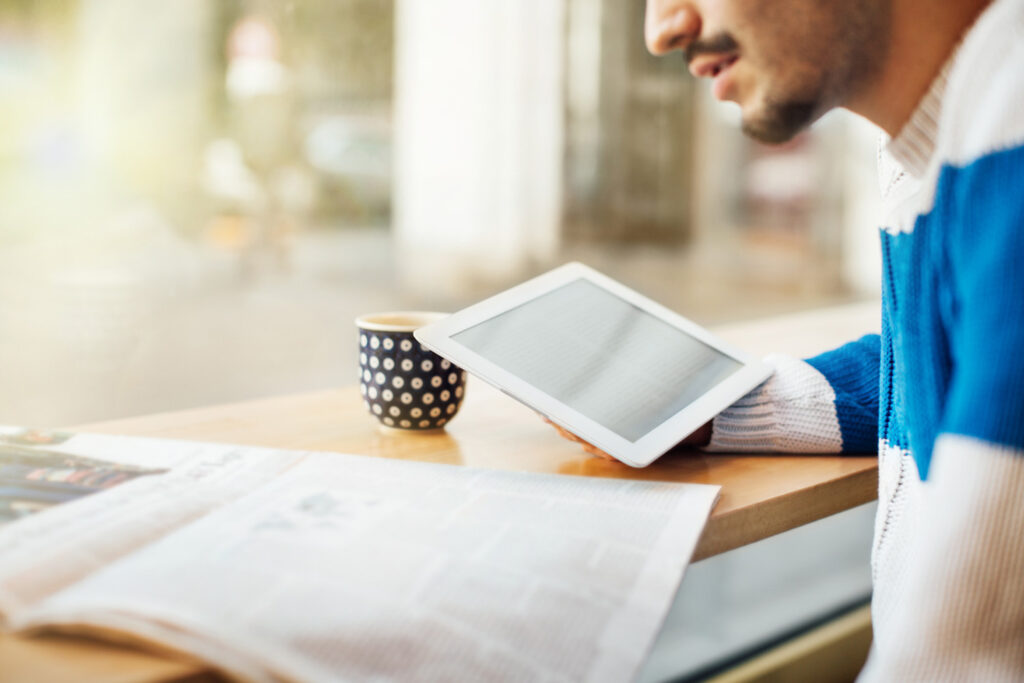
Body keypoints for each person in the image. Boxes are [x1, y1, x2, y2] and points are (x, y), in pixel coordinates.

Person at [557, 0, 1024, 679]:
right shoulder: (943, 143)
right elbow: (944, 359)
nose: (663, 28)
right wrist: (716, 405)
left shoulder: (1007, 159)